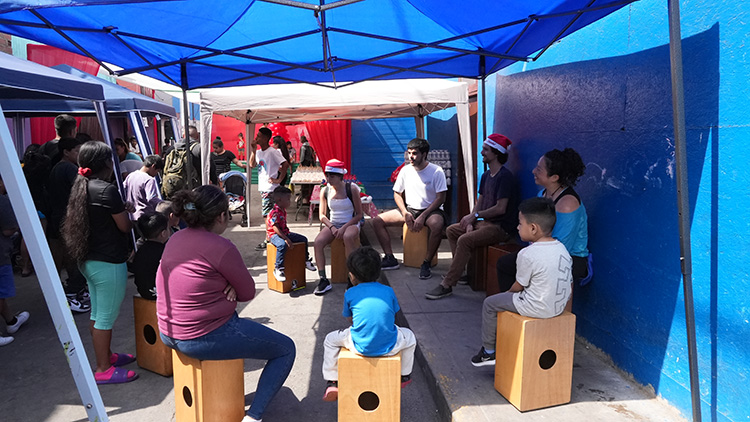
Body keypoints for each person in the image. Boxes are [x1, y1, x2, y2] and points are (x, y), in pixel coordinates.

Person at [157, 185, 295, 422]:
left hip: (167, 332)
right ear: (221, 216)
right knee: (285, 349)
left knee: (237, 324)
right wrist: (228, 285)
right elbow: (247, 292)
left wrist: (224, 285)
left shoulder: (175, 238)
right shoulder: (221, 247)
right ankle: (254, 416)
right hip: (201, 335)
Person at [62, 141, 138, 384]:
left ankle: (107, 356)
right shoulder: (106, 189)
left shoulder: (82, 186)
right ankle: (103, 369)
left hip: (89, 260)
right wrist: (129, 213)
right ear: (106, 163)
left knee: (98, 314)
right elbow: (124, 226)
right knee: (105, 317)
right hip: (108, 263)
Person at [470, 197, 572, 366]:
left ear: (533, 228)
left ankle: (488, 352)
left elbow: (518, 286)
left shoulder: (528, 253)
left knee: (490, 303)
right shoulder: (562, 249)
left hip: (536, 307)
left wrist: (506, 295)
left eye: (520, 223)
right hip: (558, 307)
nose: (517, 227)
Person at [425, 134, 518, 300]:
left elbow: (500, 208)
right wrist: (471, 219)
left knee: (464, 240)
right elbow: (479, 201)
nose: (482, 152)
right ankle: (462, 272)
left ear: (496, 153)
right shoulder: (485, 176)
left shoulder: (505, 177)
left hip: (500, 228)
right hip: (484, 224)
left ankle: (447, 284)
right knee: (453, 230)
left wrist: (475, 216)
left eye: (486, 149)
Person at [321, 246, 416, 401]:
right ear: (378, 272)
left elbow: (351, 320)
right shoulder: (388, 291)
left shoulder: (350, 293)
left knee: (330, 340)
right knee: (410, 337)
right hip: (390, 346)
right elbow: (392, 315)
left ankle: (332, 381)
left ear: (352, 276)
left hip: (359, 346)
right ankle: (404, 376)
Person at [496, 148, 588, 306]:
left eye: (539, 169)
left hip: (569, 258)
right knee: (506, 264)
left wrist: (533, 258)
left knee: (527, 269)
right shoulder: (543, 195)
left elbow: (561, 249)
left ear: (554, 177)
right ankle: (514, 310)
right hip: (544, 251)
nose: (533, 171)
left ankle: (526, 310)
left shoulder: (567, 204)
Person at [371, 138, 447, 278]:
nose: (411, 157)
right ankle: (390, 258)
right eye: (409, 153)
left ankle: (426, 262)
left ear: (424, 154)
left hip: (431, 210)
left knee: (437, 224)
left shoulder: (436, 171)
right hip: (410, 209)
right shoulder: (405, 170)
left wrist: (424, 216)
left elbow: (440, 198)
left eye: (415, 153)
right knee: (377, 221)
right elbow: (397, 193)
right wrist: (405, 212)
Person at [47, 136, 90, 312]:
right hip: (68, 219)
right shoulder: (69, 169)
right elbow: (81, 194)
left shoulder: (57, 168)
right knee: (74, 256)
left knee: (66, 255)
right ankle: (74, 291)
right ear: (66, 152)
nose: (79, 155)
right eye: (77, 151)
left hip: (58, 218)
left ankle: (73, 289)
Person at [313, 159, 363, 296]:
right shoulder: (325, 190)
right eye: (327, 175)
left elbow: (359, 215)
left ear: (340, 176)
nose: (329, 178)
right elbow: (322, 215)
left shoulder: (351, 189)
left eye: (332, 176)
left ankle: (351, 277)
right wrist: (332, 227)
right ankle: (323, 278)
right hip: (333, 224)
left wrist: (344, 227)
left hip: (350, 223)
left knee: (347, 237)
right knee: (318, 242)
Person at [0, 176, 31, 346]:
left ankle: (11, 321)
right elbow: (8, 229)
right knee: (1, 293)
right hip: (1, 254)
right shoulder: (2, 200)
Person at [249, 127, 289, 249]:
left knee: (268, 215)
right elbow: (251, 165)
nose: (256, 138)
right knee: (271, 215)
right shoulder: (260, 152)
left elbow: (285, 164)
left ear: (266, 138)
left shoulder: (273, 152)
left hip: (270, 188)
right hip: (264, 188)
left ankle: (269, 238)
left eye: (259, 136)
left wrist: (279, 180)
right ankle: (274, 237)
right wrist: (254, 151)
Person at [266, 186, 316, 282]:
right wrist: (286, 239)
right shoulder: (275, 212)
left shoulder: (283, 210)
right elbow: (275, 228)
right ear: (279, 200)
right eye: (288, 199)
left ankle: (306, 260)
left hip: (285, 233)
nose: (290, 202)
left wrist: (286, 236)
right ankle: (278, 268)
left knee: (303, 239)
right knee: (282, 245)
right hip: (274, 235)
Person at [132, 213, 170, 300]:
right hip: (161, 294)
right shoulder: (164, 252)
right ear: (163, 233)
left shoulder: (140, 251)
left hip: (144, 291)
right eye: (168, 228)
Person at [123, 155, 164, 222]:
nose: (156, 174)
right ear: (153, 166)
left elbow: (123, 190)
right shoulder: (149, 179)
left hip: (131, 216)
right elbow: (151, 198)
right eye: (157, 171)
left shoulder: (131, 175)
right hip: (145, 217)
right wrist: (164, 204)